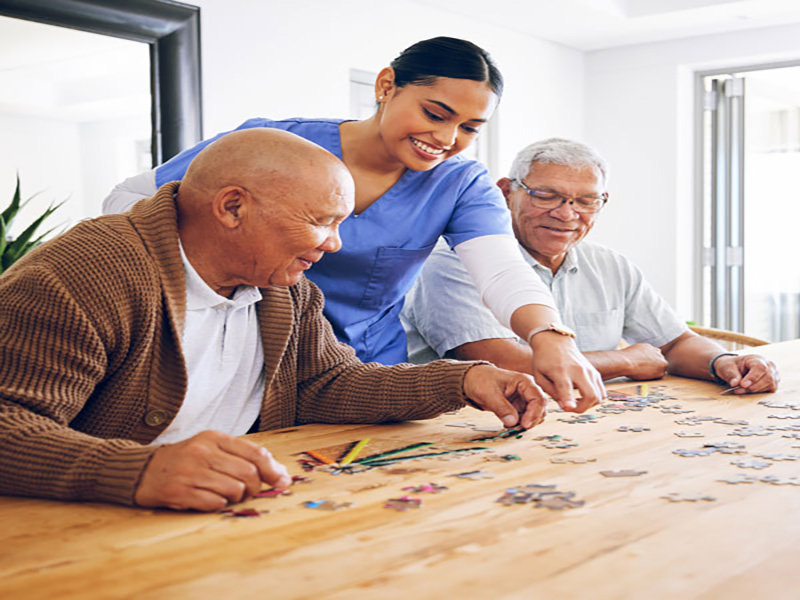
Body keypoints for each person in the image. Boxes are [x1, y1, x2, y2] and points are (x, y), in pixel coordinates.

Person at [0, 129, 552, 512]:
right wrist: (139, 471)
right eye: (320, 222)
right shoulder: (84, 274)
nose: (334, 245)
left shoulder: (283, 288)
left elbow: (329, 384)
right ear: (232, 207)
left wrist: (463, 378)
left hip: (219, 515)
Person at [103, 36, 603, 411]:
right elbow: (131, 198)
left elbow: (500, 272)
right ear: (387, 86)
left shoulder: (459, 182)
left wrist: (550, 336)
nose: (447, 137)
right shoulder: (278, 146)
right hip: (252, 353)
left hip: (364, 369)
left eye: (470, 128)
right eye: (435, 112)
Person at [401, 138, 779, 394]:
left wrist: (724, 362)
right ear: (506, 191)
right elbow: (509, 367)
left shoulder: (610, 264)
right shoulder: (450, 262)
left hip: (590, 425)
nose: (566, 214)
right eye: (546, 195)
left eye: (586, 201)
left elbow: (676, 342)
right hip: (475, 432)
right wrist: (626, 359)